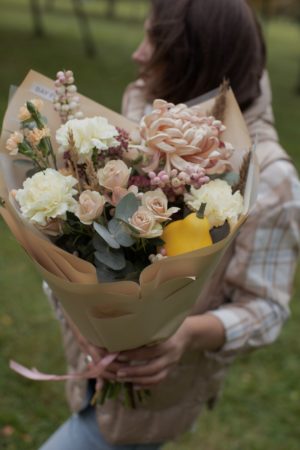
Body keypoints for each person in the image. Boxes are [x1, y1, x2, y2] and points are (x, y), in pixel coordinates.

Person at [40, 0, 300, 449]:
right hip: (94, 363)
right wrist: (75, 307)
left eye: (153, 43)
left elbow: (267, 308)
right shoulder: (143, 102)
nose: (138, 55)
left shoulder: (270, 177)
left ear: (195, 63)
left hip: (156, 393)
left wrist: (184, 336)